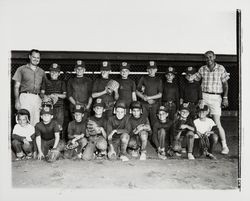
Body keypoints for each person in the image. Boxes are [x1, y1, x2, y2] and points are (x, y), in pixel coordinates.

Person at [192, 50, 230, 155]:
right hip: (204, 96)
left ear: (214, 57)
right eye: (206, 57)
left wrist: (225, 97)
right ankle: (197, 145)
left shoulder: (221, 68)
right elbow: (193, 79)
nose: (208, 59)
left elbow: (225, 85)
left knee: (217, 122)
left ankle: (225, 146)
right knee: (199, 119)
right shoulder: (202, 69)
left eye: (210, 57)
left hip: (216, 96)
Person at [12, 49, 46, 126]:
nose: (36, 59)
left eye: (38, 58)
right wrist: (17, 101)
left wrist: (43, 99)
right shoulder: (21, 69)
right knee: (24, 120)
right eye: (34, 57)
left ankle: (33, 138)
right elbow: (16, 86)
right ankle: (23, 138)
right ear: (29, 57)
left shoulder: (42, 72)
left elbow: (43, 87)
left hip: (37, 98)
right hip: (25, 97)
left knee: (36, 122)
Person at [40, 63, 66, 134]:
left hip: (59, 108)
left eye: (56, 72)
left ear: (59, 73)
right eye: (52, 71)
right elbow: (42, 93)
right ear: (49, 72)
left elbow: (64, 95)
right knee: (47, 126)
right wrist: (45, 96)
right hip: (48, 107)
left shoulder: (62, 82)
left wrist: (56, 95)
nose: (54, 73)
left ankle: (58, 143)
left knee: (58, 127)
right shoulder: (45, 81)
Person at [136, 61, 162, 126]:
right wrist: (143, 97)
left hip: (154, 104)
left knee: (155, 123)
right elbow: (137, 91)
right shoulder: (143, 78)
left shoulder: (158, 80)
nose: (151, 70)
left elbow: (160, 94)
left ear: (156, 70)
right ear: (147, 70)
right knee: (143, 121)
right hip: (144, 104)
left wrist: (149, 98)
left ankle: (154, 136)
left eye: (153, 69)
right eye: (149, 69)